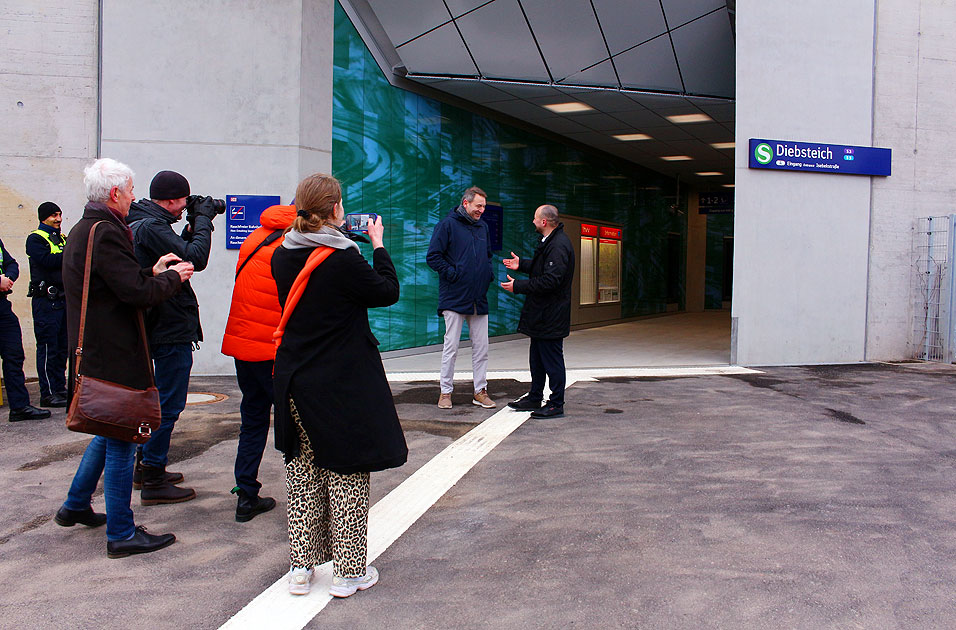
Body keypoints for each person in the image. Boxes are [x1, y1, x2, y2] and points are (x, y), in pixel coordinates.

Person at [271, 173, 407, 597]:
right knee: (347, 473)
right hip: (340, 384)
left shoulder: (281, 254)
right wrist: (379, 244)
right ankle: (349, 573)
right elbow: (386, 291)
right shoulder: (343, 257)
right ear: (335, 210)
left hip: (295, 379)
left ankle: (301, 569)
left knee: (303, 475)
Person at [56, 157, 194, 558]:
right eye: (132, 190)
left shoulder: (85, 229)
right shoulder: (106, 232)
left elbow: (116, 285)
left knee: (107, 427)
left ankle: (76, 504)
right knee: (122, 437)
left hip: (97, 349)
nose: (135, 197)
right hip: (114, 352)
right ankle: (121, 531)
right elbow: (135, 295)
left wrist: (150, 270)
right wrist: (172, 278)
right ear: (115, 193)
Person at [126, 170, 219, 505]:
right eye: (183, 201)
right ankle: (152, 474)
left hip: (159, 323)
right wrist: (204, 221)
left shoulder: (144, 222)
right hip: (168, 327)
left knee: (160, 399)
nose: (185, 206)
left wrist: (190, 227)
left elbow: (179, 250)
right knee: (169, 402)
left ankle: (146, 466)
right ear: (169, 200)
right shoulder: (152, 226)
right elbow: (196, 259)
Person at [220, 203, 297, 522]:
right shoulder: (290, 246)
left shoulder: (254, 238)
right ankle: (304, 500)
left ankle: (246, 493)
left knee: (252, 418)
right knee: (294, 422)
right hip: (271, 350)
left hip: (242, 345)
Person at [500, 204, 575, 419]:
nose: (533, 221)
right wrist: (522, 264)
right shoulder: (550, 242)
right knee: (537, 359)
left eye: (535, 218)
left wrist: (519, 286)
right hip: (543, 315)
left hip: (551, 315)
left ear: (544, 222)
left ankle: (556, 403)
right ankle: (534, 396)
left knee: (551, 360)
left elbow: (551, 279)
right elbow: (544, 267)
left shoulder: (558, 245)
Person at [425, 186, 495, 410]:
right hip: (454, 297)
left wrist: (488, 275)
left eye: (483, 207)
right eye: (478, 206)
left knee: (482, 348)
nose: (481, 211)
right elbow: (433, 257)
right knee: (451, 347)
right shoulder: (447, 225)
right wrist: (453, 274)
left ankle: (480, 391)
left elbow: (487, 256)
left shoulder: (483, 227)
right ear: (465, 203)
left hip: (478, 298)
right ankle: (445, 392)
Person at [1, 238, 51, 422]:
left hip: (2, 307)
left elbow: (11, 263)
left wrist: (8, 278)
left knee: (14, 355)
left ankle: (19, 406)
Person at [26, 201, 69, 408]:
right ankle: (48, 393)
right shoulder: (35, 238)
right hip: (46, 301)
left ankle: (60, 388)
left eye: (59, 214)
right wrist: (68, 256)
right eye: (54, 215)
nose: (58, 219)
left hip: (63, 300)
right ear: (43, 217)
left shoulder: (61, 238)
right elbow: (48, 262)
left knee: (62, 348)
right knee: (47, 347)